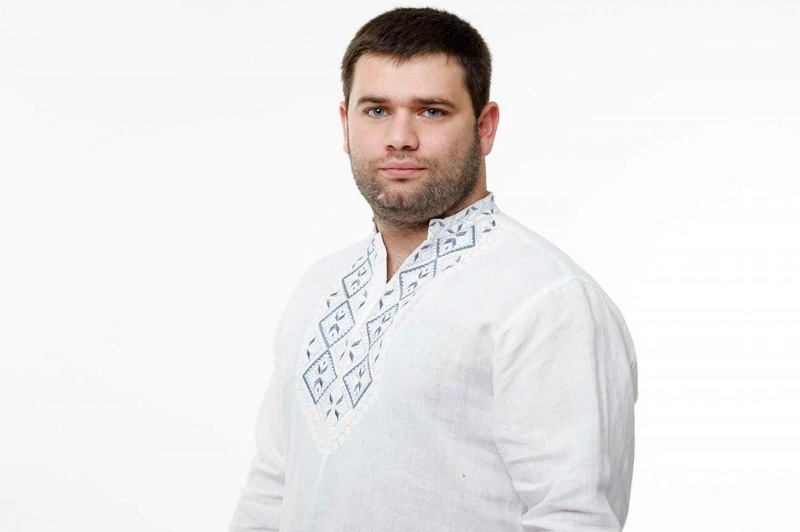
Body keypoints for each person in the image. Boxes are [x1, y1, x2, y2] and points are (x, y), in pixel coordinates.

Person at [230, 7, 638, 531]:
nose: (400, 137)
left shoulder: (546, 301)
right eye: (377, 110)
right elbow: (271, 490)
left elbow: (574, 517)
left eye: (431, 111)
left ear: (485, 128)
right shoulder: (319, 286)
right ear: (346, 124)